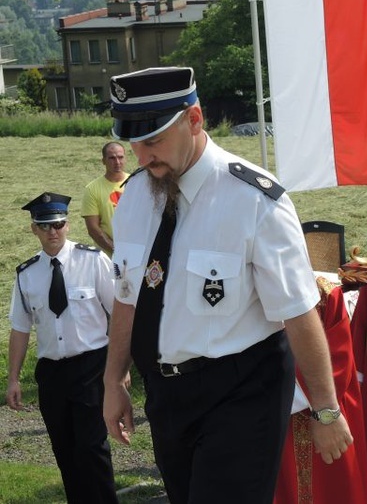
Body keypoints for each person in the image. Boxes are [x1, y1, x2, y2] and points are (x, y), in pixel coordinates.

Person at [102, 67, 352, 504]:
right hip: (165, 394)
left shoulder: (255, 200)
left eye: (155, 139)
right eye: (135, 142)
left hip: (242, 392)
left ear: (194, 119)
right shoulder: (136, 197)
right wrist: (113, 381)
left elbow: (298, 312)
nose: (142, 156)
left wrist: (326, 410)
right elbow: (128, 297)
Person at [6, 192, 118, 504]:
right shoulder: (27, 274)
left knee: (92, 447)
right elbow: (20, 328)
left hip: (91, 366)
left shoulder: (93, 260)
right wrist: (13, 378)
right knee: (64, 448)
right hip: (52, 372)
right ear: (34, 229)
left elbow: (120, 313)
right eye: (45, 226)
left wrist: (120, 368)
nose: (53, 231)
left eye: (58, 224)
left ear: (68, 225)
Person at [274, 276, 367, 504]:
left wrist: (324, 413)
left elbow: (338, 360)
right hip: (267, 418)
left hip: (322, 415)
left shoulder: (324, 293)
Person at [81, 141, 129, 256]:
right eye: (112, 158)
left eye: (120, 157)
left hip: (138, 253)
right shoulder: (92, 189)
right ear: (103, 161)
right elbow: (93, 229)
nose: (117, 162)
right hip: (107, 258)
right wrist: (117, 251)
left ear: (125, 158)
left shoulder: (137, 183)